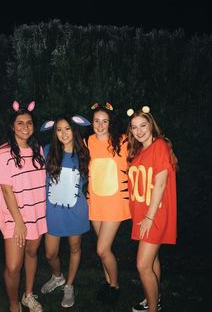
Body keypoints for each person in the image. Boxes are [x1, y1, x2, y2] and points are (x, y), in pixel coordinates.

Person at [0, 101, 47, 312]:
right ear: (12, 126)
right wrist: (19, 222)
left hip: (38, 213)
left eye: (29, 123)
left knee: (32, 254)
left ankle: (28, 295)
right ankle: (14, 304)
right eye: (20, 123)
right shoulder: (2, 154)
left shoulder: (38, 149)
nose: (25, 127)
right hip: (15, 218)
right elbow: (6, 190)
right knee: (13, 266)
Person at [127, 106, 177, 312]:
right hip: (143, 214)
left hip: (154, 214)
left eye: (143, 125)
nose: (139, 131)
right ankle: (153, 299)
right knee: (152, 259)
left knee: (142, 265)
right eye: (134, 127)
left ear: (151, 125)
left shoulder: (160, 145)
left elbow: (161, 183)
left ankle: (152, 310)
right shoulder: (139, 151)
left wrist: (149, 216)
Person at [40, 114, 91, 308]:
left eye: (67, 128)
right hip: (53, 212)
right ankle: (57, 276)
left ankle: (69, 285)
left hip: (76, 211)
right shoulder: (47, 151)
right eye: (59, 130)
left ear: (74, 130)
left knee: (75, 248)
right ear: (55, 132)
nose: (63, 133)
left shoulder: (84, 153)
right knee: (50, 254)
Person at [86, 102, 131, 304]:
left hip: (115, 203)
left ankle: (115, 286)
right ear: (92, 122)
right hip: (95, 202)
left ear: (111, 123)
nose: (101, 125)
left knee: (102, 249)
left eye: (105, 121)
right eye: (97, 121)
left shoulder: (123, 141)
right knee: (103, 249)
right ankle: (108, 283)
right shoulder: (88, 141)